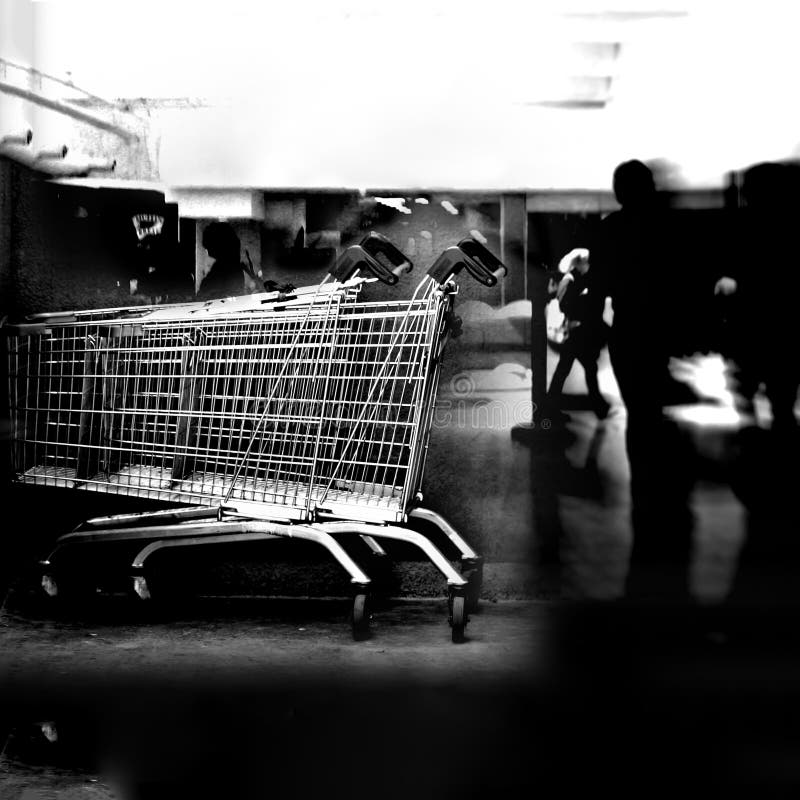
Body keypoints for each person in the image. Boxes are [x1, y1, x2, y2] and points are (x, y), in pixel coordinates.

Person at [591, 159, 695, 601]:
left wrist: (594, 324)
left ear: (619, 192)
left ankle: (645, 484)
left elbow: (599, 284)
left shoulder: (610, 229)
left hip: (628, 329)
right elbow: (683, 279)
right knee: (652, 407)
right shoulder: (665, 226)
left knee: (639, 410)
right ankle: (662, 485)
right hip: (659, 329)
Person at [546, 248, 610, 420]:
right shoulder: (570, 279)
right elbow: (565, 305)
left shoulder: (579, 279)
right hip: (575, 332)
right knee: (575, 369)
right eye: (585, 262)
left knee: (574, 368)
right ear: (579, 263)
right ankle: (598, 406)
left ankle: (598, 406)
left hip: (579, 333)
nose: (587, 265)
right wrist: (584, 308)